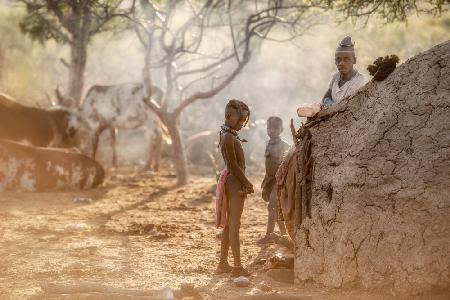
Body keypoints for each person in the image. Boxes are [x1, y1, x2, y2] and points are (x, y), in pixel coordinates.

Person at [215, 99, 254, 277]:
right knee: (234, 224)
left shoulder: (227, 133)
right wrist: (246, 182)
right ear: (228, 117)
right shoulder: (229, 137)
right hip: (234, 182)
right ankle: (237, 267)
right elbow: (232, 165)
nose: (242, 124)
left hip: (232, 181)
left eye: (244, 121)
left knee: (230, 224)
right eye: (239, 120)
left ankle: (223, 263)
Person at [257, 116, 290, 244]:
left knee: (272, 206)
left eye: (275, 128)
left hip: (280, 180)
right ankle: (284, 234)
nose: (271, 130)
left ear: (281, 130)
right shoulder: (269, 144)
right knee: (275, 208)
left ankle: (269, 236)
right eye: (269, 128)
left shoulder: (285, 146)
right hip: (270, 180)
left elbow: (288, 166)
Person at [322, 36, 367, 105]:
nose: (341, 63)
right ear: (335, 61)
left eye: (346, 59)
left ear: (354, 60)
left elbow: (349, 107)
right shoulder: (336, 77)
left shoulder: (360, 81)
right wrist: (330, 103)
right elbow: (325, 98)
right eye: (338, 60)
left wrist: (329, 105)